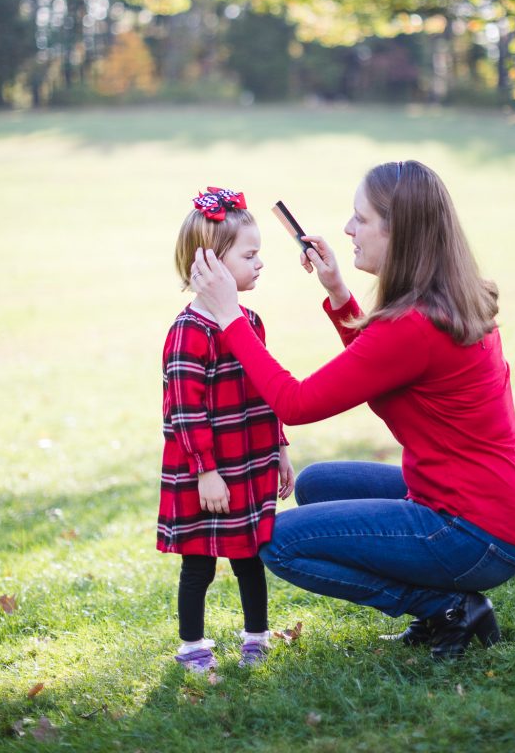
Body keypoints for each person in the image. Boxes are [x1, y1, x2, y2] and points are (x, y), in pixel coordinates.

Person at [191, 162, 515, 660]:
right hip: (490, 502)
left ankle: (445, 607)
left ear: (397, 230)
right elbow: (385, 364)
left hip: (477, 531)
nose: (347, 229)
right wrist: (338, 291)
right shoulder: (442, 299)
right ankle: (444, 598)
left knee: (278, 542)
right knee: (316, 485)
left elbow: (295, 403)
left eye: (360, 218)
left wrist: (230, 318)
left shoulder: (414, 325)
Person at [157, 186, 294, 673]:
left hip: (251, 458)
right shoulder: (189, 331)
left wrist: (279, 447)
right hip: (207, 469)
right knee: (199, 564)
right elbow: (184, 412)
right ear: (212, 262)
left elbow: (267, 390)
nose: (260, 263)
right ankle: (193, 646)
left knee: (250, 554)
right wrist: (205, 471)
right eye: (250, 254)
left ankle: (255, 637)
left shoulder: (249, 323)